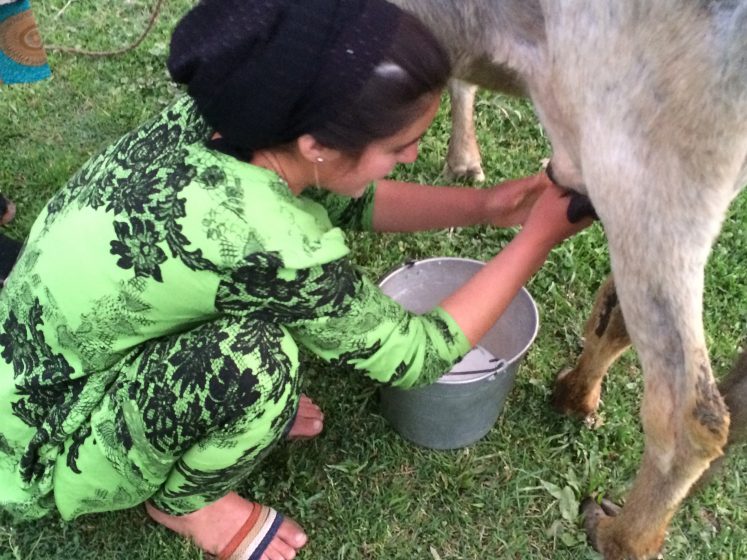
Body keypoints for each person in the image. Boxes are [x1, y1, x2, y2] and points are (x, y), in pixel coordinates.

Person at [0, 0, 592, 558]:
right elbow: (415, 355)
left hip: (30, 362)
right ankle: (187, 505)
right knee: (258, 362)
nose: (412, 157)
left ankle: (196, 427)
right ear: (315, 145)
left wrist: (487, 206)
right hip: (43, 443)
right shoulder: (271, 244)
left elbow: (347, 198)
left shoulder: (232, 115)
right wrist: (535, 237)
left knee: (247, 341)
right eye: (400, 147)